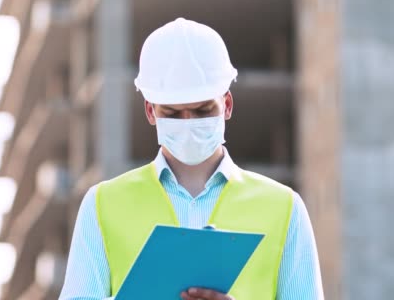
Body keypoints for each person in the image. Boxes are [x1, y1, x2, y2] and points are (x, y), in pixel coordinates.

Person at [59, 18, 323, 300]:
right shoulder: (102, 206)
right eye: (172, 114)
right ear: (150, 111)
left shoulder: (284, 209)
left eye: (202, 110)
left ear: (227, 105)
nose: (188, 122)